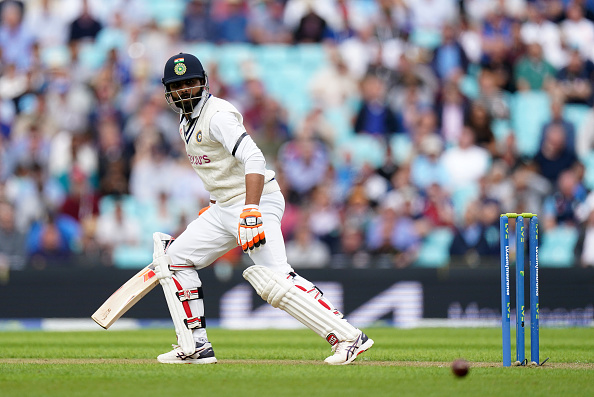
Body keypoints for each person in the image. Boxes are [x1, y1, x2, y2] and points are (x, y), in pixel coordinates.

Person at [154, 53, 373, 365]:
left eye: (191, 83)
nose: (186, 90)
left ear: (203, 83)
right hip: (224, 208)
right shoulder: (184, 121)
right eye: (179, 86)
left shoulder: (217, 115)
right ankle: (195, 346)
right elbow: (220, 172)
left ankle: (350, 338)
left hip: (255, 201)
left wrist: (251, 209)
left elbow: (254, 159)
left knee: (275, 278)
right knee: (174, 260)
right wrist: (216, 205)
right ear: (169, 91)